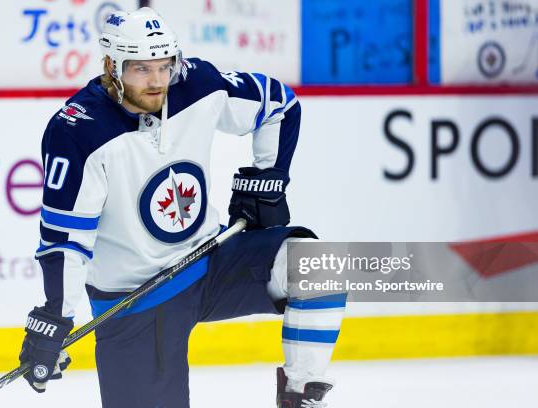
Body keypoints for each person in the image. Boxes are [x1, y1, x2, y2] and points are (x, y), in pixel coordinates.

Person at [18, 7, 346, 408]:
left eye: (165, 66)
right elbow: (67, 241)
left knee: (316, 264)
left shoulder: (195, 83)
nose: (157, 81)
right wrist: (57, 315)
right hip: (135, 296)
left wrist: (268, 178)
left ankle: (302, 395)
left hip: (210, 262)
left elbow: (278, 104)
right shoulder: (78, 131)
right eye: (141, 69)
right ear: (111, 65)